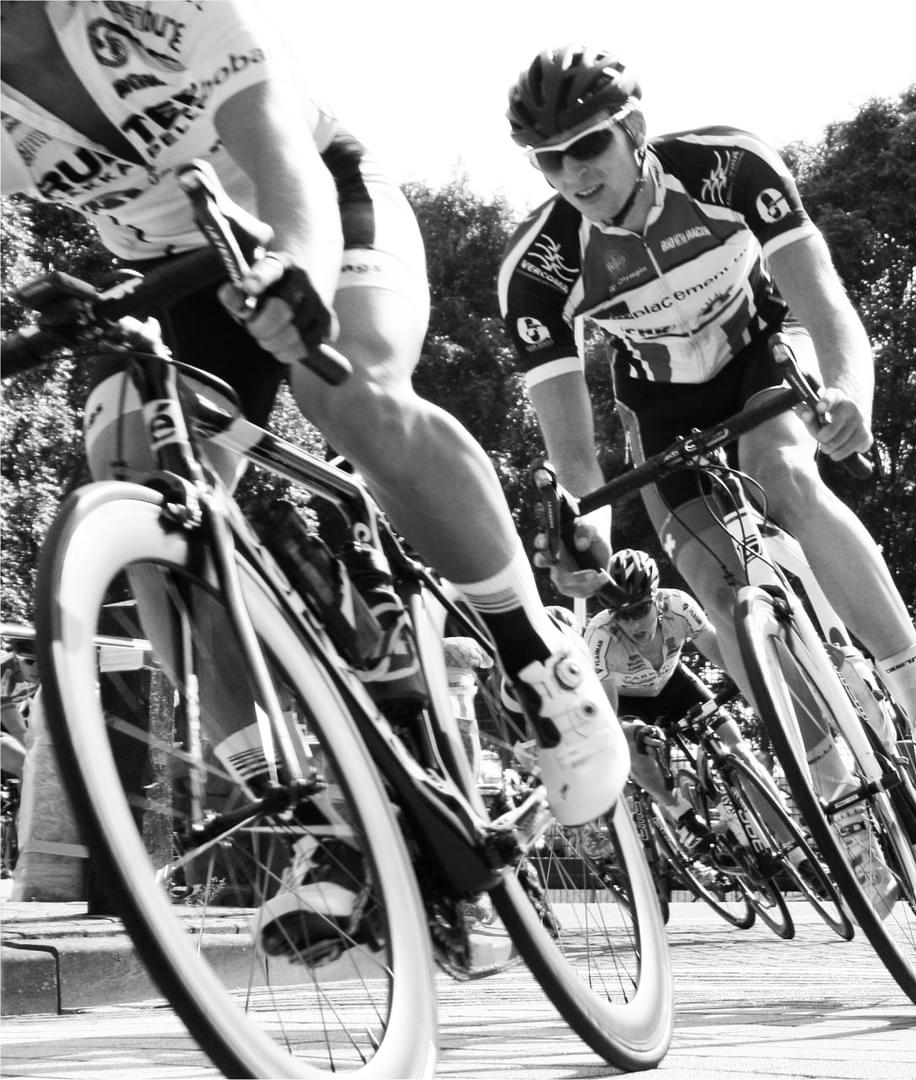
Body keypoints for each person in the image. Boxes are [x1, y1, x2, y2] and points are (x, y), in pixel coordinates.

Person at [1, 6, 628, 957]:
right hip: (166, 267)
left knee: (347, 388)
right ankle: (324, 816)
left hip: (316, 192)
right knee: (133, 478)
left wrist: (294, 269)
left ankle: (533, 652)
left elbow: (275, 142)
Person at [497, 45, 916, 807]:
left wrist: (850, 394)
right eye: (548, 161)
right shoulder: (540, 268)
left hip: (765, 347)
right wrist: (584, 529)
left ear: (634, 128)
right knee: (715, 589)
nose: (572, 177)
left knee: (786, 474)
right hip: (661, 403)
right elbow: (572, 452)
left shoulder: (726, 167)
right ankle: (833, 787)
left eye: (588, 147)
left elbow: (826, 306)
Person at [586, 549, 811, 869]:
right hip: (628, 698)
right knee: (632, 744)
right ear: (611, 614)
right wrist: (631, 733)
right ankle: (679, 813)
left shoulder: (678, 606)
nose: (634, 622)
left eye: (640, 609)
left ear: (656, 600)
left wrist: (753, 685)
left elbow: (723, 656)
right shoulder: (600, 636)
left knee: (737, 748)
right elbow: (609, 715)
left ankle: (795, 846)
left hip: (675, 684)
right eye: (623, 614)